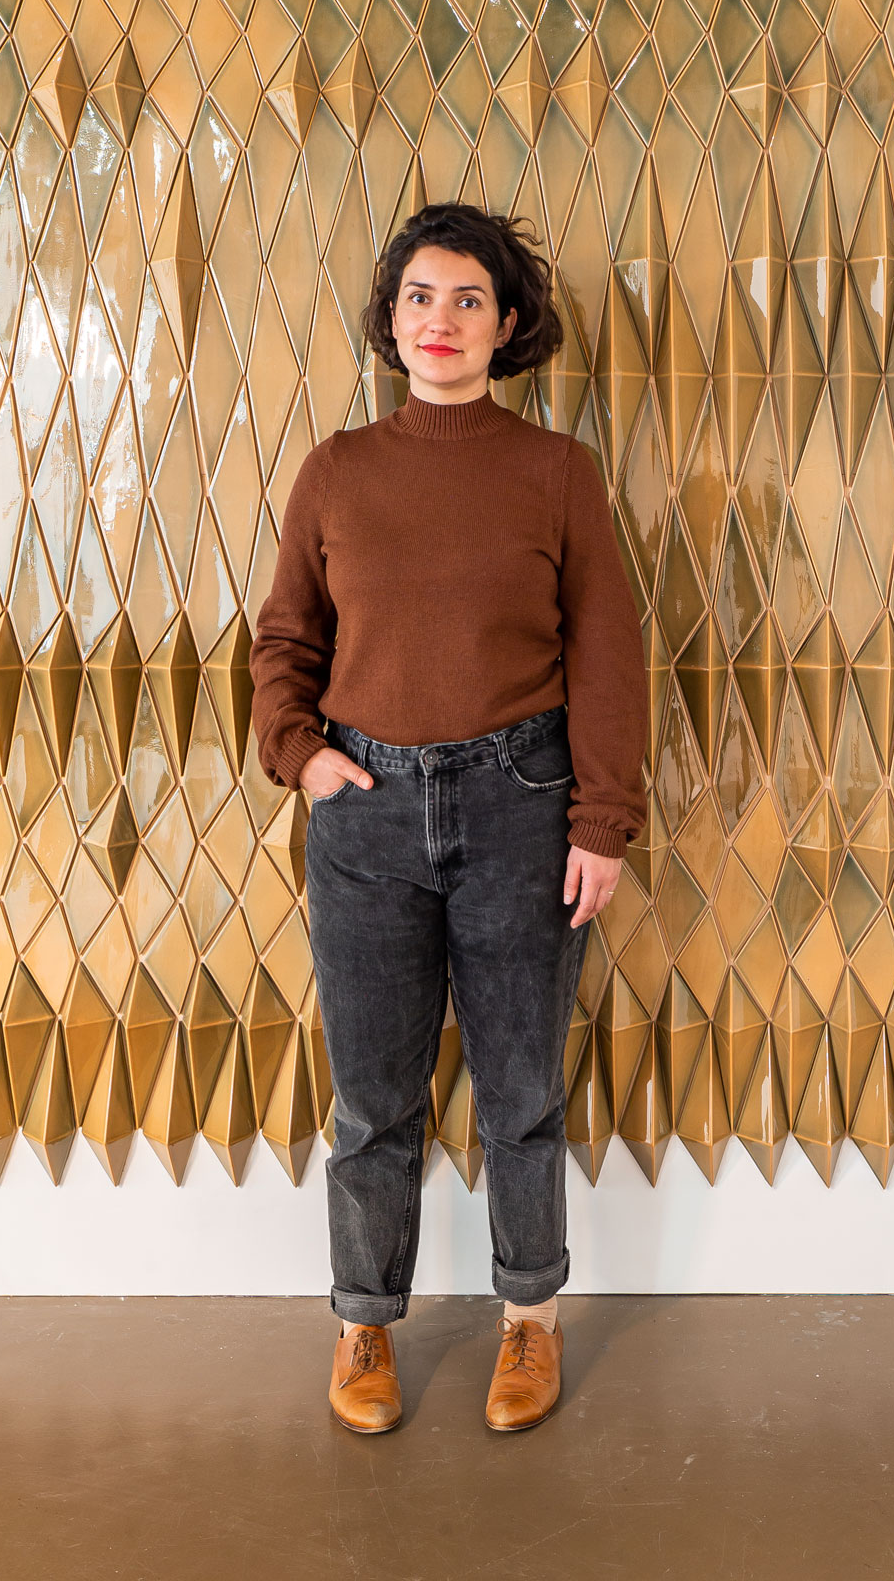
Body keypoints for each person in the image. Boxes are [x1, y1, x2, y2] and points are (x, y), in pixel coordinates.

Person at [249, 200, 648, 1436]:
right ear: (391, 320)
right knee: (373, 1096)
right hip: (363, 820)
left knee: (520, 1086)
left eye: (468, 298)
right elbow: (284, 641)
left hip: (522, 810)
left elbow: (608, 655)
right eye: (419, 297)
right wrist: (301, 757)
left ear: (507, 324)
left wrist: (602, 822)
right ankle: (365, 1322)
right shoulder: (335, 470)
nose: (441, 319)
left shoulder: (557, 473)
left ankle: (531, 1318)